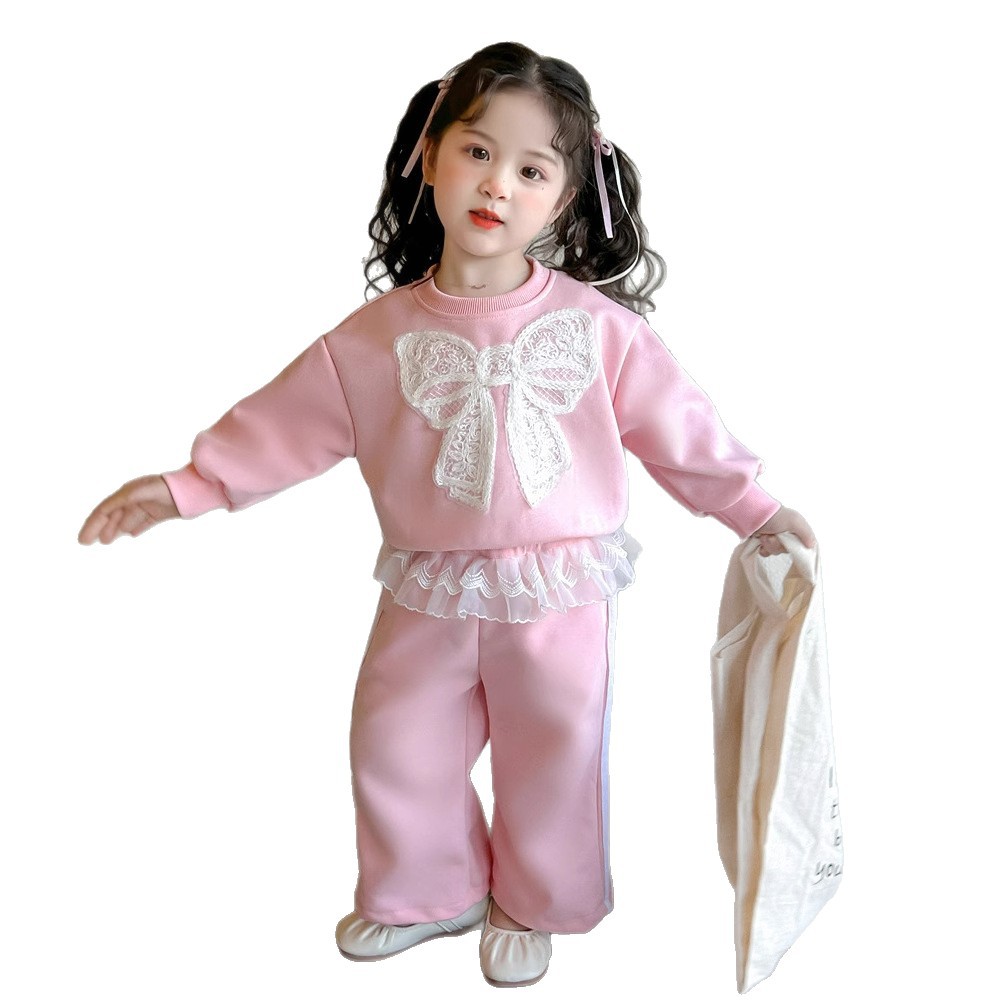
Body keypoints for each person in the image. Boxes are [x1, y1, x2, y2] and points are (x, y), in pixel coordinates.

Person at [78, 41, 816, 988]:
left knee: (557, 744)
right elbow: (284, 424)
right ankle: (428, 891)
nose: (497, 184)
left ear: (565, 199)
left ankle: (537, 899)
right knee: (396, 738)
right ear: (429, 154)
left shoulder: (599, 330)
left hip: (556, 585)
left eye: (531, 170)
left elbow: (681, 431)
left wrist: (755, 509)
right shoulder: (373, 339)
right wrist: (188, 486)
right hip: (426, 582)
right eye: (476, 151)